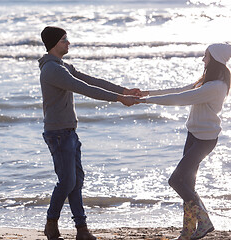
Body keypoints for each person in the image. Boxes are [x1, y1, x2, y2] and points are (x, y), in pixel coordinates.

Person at [38, 26, 140, 240]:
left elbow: (91, 80)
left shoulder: (62, 66)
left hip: (69, 132)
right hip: (58, 134)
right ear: (55, 43)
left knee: (76, 181)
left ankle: (82, 230)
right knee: (67, 181)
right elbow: (84, 88)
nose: (69, 42)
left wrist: (123, 90)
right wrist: (119, 99)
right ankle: (51, 223)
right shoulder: (52, 70)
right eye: (65, 39)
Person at [137, 43, 231, 240]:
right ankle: (188, 231)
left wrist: (144, 102)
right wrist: (147, 93)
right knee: (188, 184)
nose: (202, 59)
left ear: (214, 58)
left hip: (204, 140)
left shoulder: (215, 86)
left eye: (206, 56)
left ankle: (204, 221)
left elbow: (181, 98)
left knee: (176, 180)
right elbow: (180, 90)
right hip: (194, 135)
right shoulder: (207, 80)